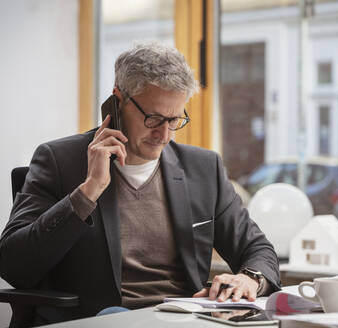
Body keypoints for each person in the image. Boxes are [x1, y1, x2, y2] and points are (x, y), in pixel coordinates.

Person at [0, 42, 280, 324]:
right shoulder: (60, 161)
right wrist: (88, 192)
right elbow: (13, 266)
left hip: (183, 319)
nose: (164, 135)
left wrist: (250, 279)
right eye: (153, 118)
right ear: (117, 101)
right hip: (101, 318)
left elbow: (258, 250)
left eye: (174, 120)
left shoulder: (204, 168)